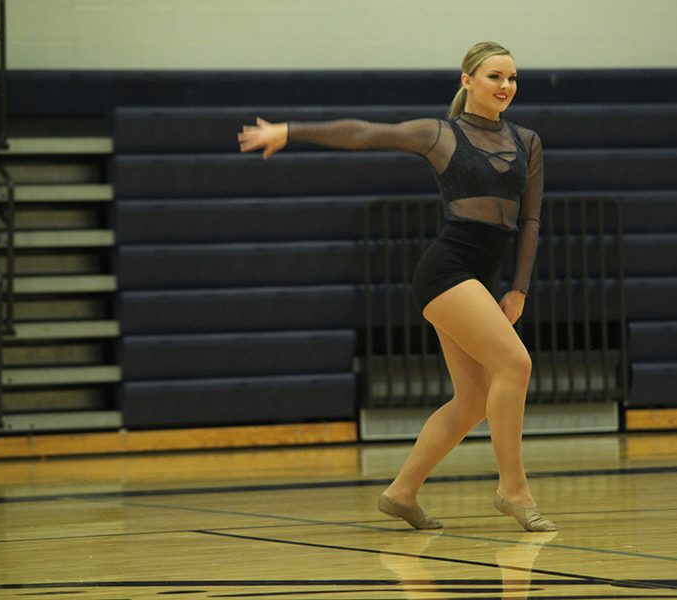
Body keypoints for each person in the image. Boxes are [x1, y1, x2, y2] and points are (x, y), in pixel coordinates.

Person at [238, 41, 555, 532]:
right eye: (495, 76)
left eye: (512, 78)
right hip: (446, 271)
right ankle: (513, 489)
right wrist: (289, 129)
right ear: (467, 80)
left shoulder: (527, 141)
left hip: (482, 277)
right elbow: (366, 134)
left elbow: (530, 220)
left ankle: (402, 492)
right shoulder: (440, 134)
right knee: (515, 363)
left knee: (472, 400)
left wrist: (519, 289)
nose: (506, 86)